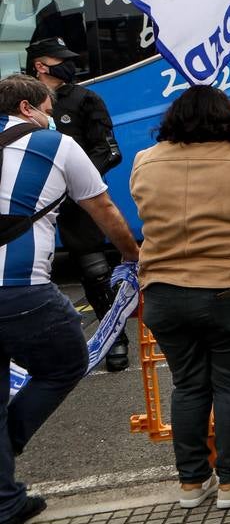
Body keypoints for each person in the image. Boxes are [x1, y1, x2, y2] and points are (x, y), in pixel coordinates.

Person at [0, 75, 139, 524]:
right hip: (20, 292)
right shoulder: (55, 144)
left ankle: (5, 502)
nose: (51, 113)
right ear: (27, 107)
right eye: (47, 106)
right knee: (66, 363)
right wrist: (131, 255)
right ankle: (5, 454)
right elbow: (104, 209)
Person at [132, 85, 230, 512]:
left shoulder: (146, 162)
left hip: (163, 292)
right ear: (227, 119)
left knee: (188, 385)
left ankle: (192, 482)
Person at [26, 37, 128, 372]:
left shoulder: (86, 98)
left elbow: (109, 150)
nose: (71, 63)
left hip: (74, 198)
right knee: (24, 272)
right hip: (26, 199)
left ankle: (115, 340)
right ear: (41, 65)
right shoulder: (17, 99)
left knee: (94, 269)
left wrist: (77, 179)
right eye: (61, 59)